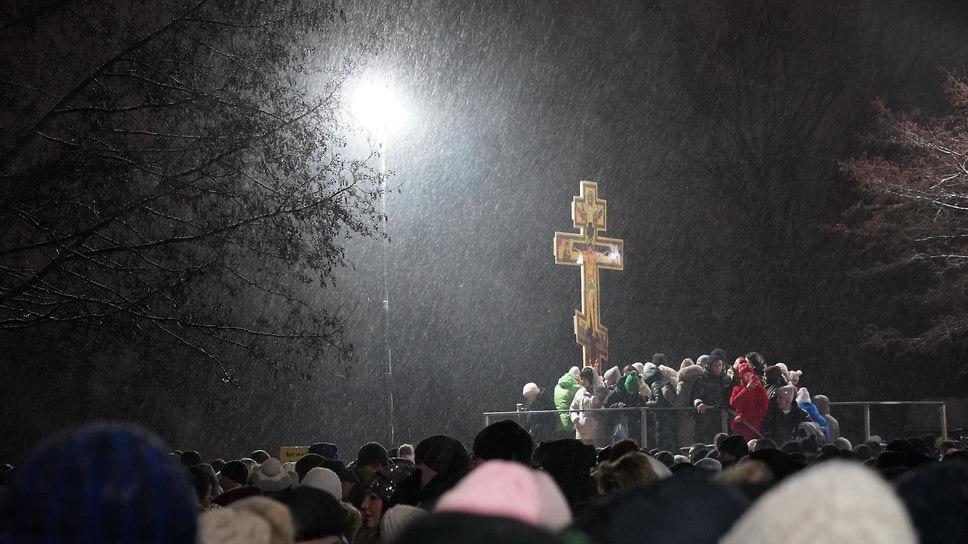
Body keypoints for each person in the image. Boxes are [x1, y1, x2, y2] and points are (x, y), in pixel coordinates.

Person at [692, 352, 733, 444]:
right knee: (707, 441)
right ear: (710, 366)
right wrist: (699, 403)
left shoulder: (726, 379)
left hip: (722, 416)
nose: (718, 368)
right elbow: (696, 396)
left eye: (720, 365)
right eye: (715, 365)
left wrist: (723, 403)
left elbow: (729, 396)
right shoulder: (702, 379)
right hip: (706, 417)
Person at [729, 360, 768, 441]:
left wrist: (746, 417)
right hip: (739, 425)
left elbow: (763, 409)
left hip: (753, 425)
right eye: (745, 375)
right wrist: (745, 390)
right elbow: (733, 403)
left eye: (750, 374)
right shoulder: (737, 389)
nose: (748, 377)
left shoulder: (760, 389)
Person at [570, 366, 607, 447]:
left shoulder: (601, 390)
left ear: (591, 378)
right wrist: (575, 419)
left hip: (597, 431)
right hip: (581, 431)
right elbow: (572, 408)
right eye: (582, 378)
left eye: (585, 379)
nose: (583, 381)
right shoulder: (579, 392)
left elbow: (605, 408)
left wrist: (597, 404)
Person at [553, 366, 583, 439]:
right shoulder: (577, 387)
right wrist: (581, 383)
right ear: (577, 376)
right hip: (570, 422)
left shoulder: (557, 386)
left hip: (558, 422)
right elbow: (584, 392)